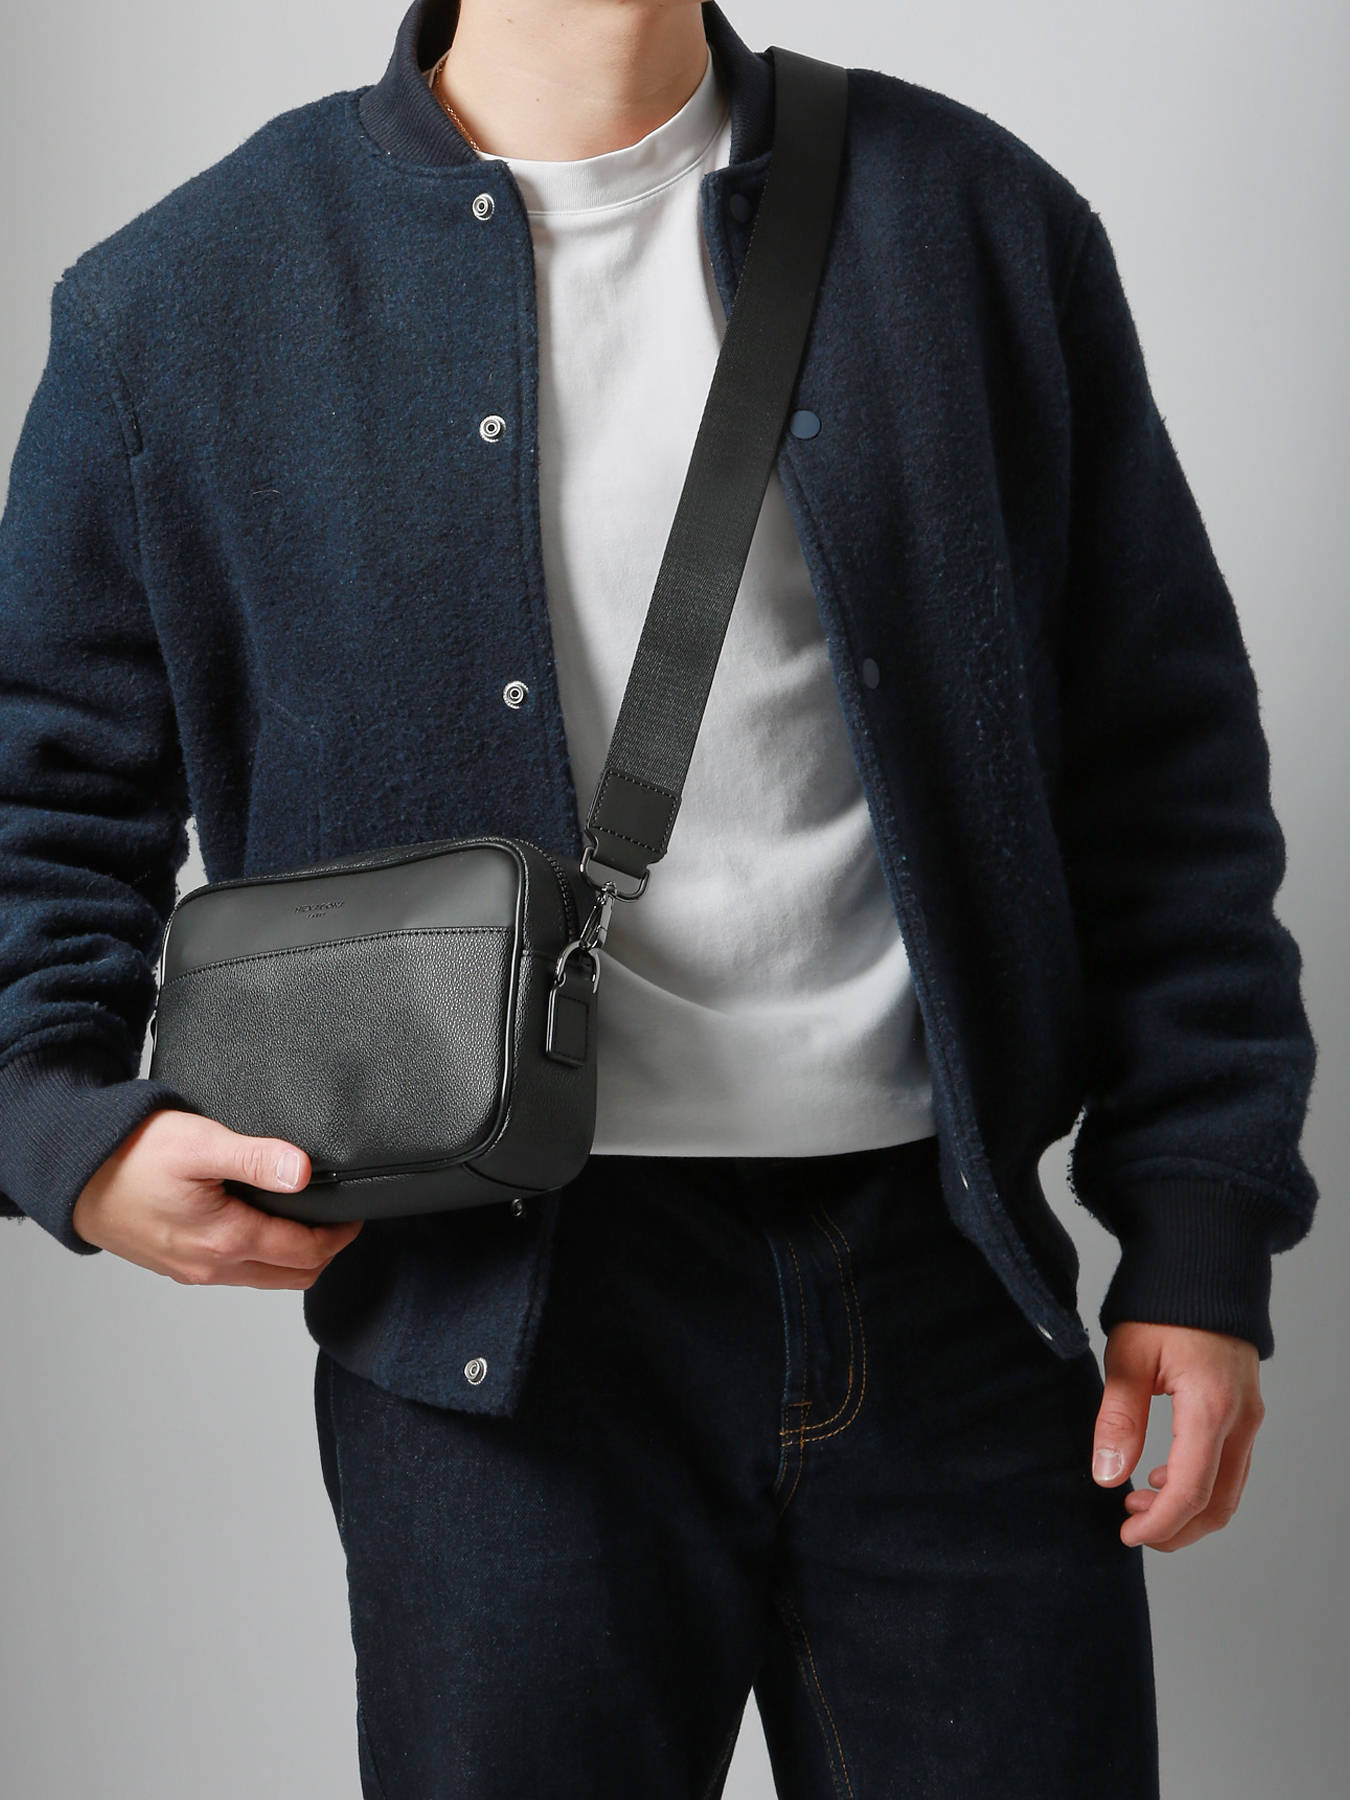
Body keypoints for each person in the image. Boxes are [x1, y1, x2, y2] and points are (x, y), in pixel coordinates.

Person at [0, 1, 1318, 1794]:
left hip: (951, 1281)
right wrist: (65, 1133)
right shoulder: (181, 300)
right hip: (497, 1336)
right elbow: (41, 797)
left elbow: (1159, 771)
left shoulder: (972, 221)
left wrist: (1197, 1229)